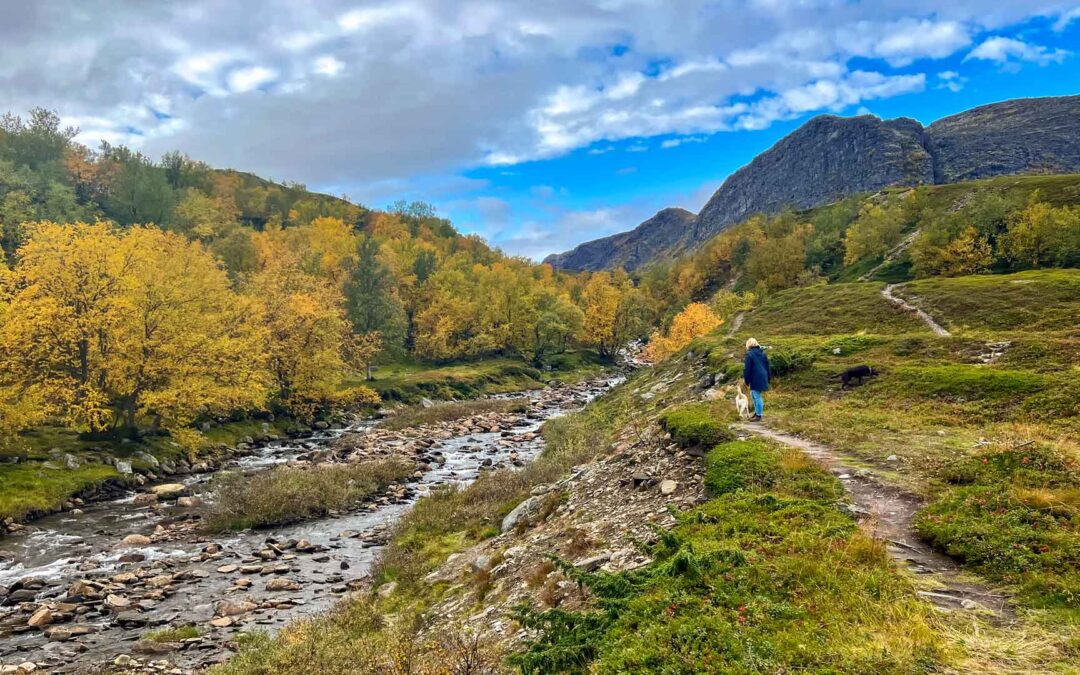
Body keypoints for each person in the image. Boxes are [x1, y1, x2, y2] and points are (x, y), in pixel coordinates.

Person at [743, 337, 770, 421]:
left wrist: (746, 380)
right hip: (763, 376)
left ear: (748, 345)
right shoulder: (763, 353)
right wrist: (768, 377)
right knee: (753, 394)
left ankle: (759, 415)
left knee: (756, 395)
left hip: (755, 377)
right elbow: (767, 366)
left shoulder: (749, 354)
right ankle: (756, 413)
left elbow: (747, 369)